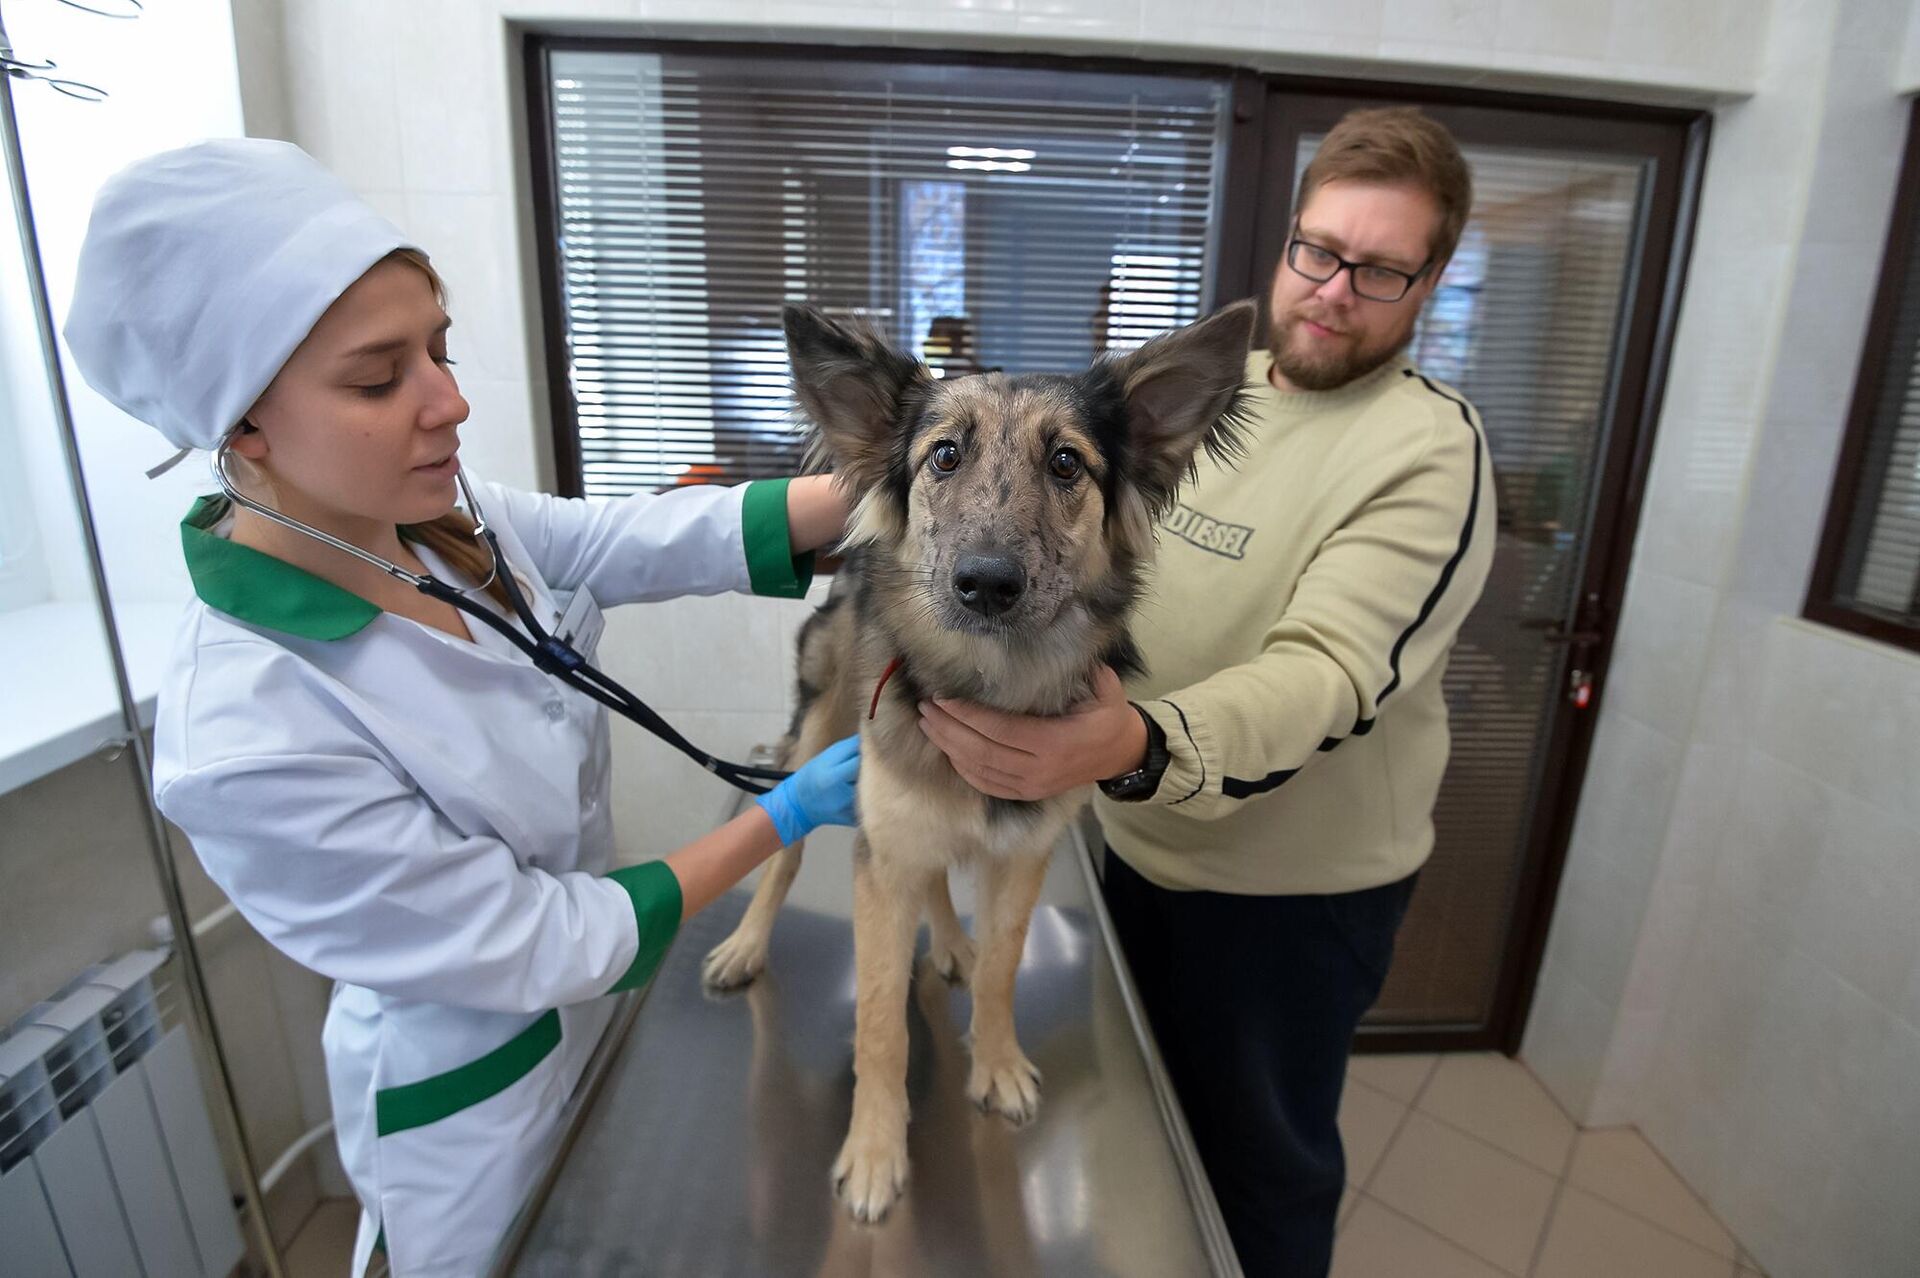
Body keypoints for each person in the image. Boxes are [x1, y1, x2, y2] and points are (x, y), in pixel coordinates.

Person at [62, 139, 862, 1278]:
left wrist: (893, 486)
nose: (451, 400)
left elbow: (615, 539)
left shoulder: (433, 516)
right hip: (478, 1121)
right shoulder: (243, 738)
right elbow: (540, 937)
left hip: (595, 1029)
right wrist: (780, 815)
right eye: (380, 378)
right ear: (242, 425)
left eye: (437, 347)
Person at [916, 106, 1493, 1277]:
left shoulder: (1428, 453)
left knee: (1259, 1165)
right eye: (1318, 251)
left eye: (1380, 269)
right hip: (1127, 836)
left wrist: (1129, 746)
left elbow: (1326, 676)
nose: (1334, 290)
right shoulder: (1209, 402)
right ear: (1290, 242)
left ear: (1431, 278)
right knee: (1138, 1128)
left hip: (1285, 899)